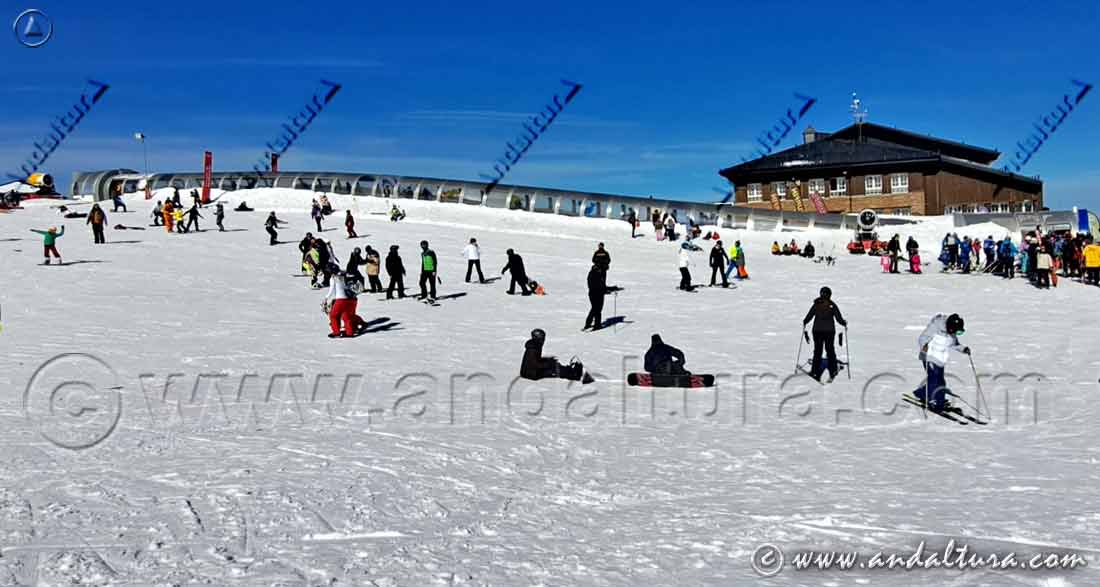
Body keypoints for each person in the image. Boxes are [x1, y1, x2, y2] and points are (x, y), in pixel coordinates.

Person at [912, 313, 970, 412]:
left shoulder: (952, 332)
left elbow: (954, 344)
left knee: (940, 381)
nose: (956, 334)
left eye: (959, 332)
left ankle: (923, 394)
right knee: (934, 380)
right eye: (956, 332)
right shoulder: (936, 327)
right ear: (950, 327)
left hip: (940, 359)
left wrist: (963, 349)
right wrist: (925, 346)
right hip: (928, 356)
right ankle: (935, 401)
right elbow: (922, 338)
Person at [801, 286, 847, 382]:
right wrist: (844, 323)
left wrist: (805, 321)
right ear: (829, 295)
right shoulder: (832, 305)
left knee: (818, 351)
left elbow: (809, 315)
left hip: (817, 331)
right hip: (829, 332)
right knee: (830, 350)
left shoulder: (816, 304)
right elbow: (838, 318)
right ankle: (833, 370)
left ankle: (814, 371)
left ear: (821, 293)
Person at [519, 329, 590, 382]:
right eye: (542, 338)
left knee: (554, 365)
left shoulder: (535, 345)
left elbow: (534, 361)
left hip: (530, 371)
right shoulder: (533, 349)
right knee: (554, 369)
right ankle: (574, 375)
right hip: (531, 374)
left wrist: (547, 360)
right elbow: (535, 365)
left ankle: (571, 371)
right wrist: (548, 364)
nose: (544, 340)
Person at [324, 269, 366, 338]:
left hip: (340, 300)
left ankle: (336, 332)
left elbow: (331, 290)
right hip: (349, 300)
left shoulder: (333, 278)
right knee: (346, 316)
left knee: (333, 315)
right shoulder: (345, 277)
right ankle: (350, 332)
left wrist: (326, 298)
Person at [584, 263, 607, 330]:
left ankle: (588, 324)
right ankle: (597, 325)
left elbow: (602, 285)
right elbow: (595, 285)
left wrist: (609, 289)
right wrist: (603, 290)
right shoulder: (593, 274)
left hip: (597, 293)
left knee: (595, 309)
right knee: (597, 309)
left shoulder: (598, 273)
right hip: (595, 294)